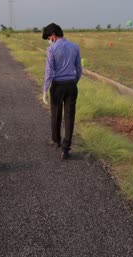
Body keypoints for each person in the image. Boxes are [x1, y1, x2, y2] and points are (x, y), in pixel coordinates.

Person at [41, 23, 82, 160]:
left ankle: (56, 140)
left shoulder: (51, 49)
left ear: (53, 35)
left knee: (56, 113)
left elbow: (49, 71)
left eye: (48, 37)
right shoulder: (75, 47)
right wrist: (73, 82)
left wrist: (45, 89)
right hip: (71, 85)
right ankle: (66, 148)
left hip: (57, 85)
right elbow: (79, 70)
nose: (49, 40)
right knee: (70, 116)